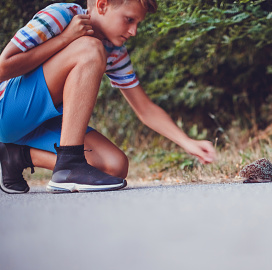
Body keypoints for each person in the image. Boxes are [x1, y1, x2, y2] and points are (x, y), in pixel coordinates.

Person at [0, 0, 216, 194]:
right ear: (102, 5)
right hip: (7, 112)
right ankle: (68, 165)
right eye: (129, 20)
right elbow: (3, 67)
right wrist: (65, 39)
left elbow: (144, 108)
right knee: (90, 48)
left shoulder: (114, 51)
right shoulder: (61, 16)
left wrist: (187, 142)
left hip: (40, 123)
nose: (134, 31)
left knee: (115, 165)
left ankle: (16, 156)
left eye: (137, 23)